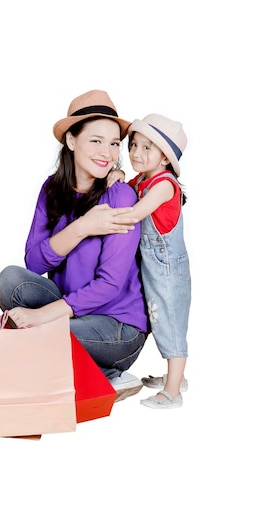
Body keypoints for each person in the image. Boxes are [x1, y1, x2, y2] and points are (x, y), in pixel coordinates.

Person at [0, 90, 149, 402]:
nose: (108, 152)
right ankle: (69, 360)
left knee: (41, 332)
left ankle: (109, 372)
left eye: (114, 142)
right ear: (72, 141)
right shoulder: (53, 189)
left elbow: (109, 286)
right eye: (96, 140)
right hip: (73, 309)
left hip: (117, 326)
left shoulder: (119, 197)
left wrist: (41, 316)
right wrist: (83, 227)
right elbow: (34, 263)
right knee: (9, 281)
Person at [107, 114, 191, 409]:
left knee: (170, 323)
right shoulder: (143, 179)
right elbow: (128, 191)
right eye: (134, 146)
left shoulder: (164, 185)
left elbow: (134, 212)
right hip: (152, 268)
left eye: (147, 148)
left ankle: (173, 392)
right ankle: (175, 376)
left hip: (168, 270)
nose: (135, 154)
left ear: (165, 159)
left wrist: (101, 220)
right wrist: (117, 176)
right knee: (158, 321)